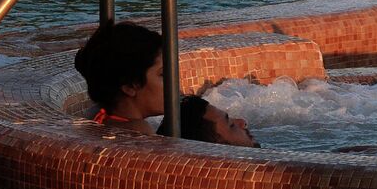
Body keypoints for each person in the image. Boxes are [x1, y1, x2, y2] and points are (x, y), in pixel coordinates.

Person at [72, 21, 258, 146]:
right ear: (130, 86)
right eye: (162, 74)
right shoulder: (139, 133)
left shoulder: (97, 114)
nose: (173, 82)